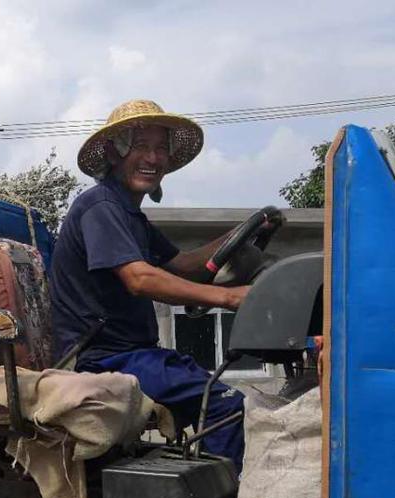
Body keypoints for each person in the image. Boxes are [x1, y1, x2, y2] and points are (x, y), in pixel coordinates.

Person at [49, 99, 273, 470]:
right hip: (101, 359)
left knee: (217, 397)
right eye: (140, 147)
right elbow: (140, 279)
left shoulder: (129, 214)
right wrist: (228, 296)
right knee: (225, 406)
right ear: (114, 153)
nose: (152, 158)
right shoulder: (100, 207)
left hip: (135, 355)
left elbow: (184, 266)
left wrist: (241, 232)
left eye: (160, 149)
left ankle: (206, 494)